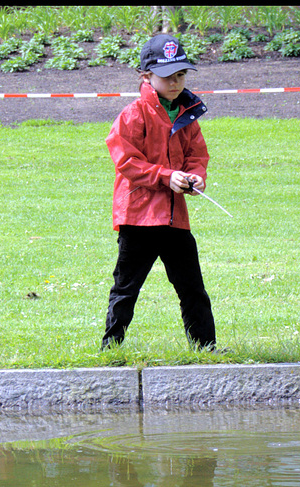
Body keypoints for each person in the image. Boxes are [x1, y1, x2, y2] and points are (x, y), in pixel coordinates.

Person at [101, 34, 216, 351]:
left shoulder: (187, 114)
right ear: (146, 77)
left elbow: (197, 155)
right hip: (138, 218)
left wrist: (195, 178)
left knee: (192, 286)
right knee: (126, 288)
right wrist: (166, 176)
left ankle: (205, 347)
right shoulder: (132, 114)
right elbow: (126, 161)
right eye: (168, 76)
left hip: (173, 219)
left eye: (181, 74)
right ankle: (111, 347)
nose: (176, 82)